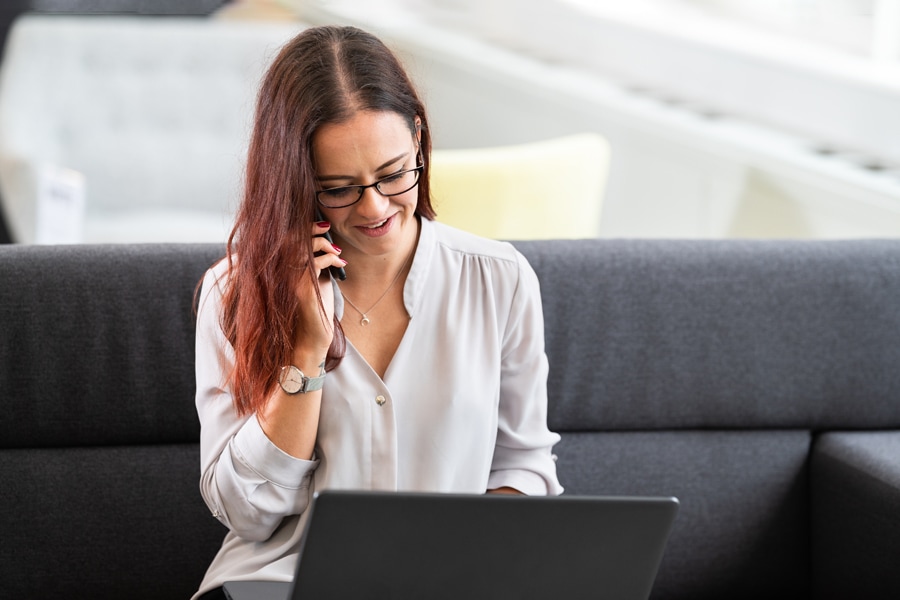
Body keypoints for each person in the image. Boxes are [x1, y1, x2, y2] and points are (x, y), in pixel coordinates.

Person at [193, 24, 563, 599]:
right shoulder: (235, 292)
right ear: (296, 181)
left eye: (393, 175)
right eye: (338, 187)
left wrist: (469, 567)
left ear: (418, 138)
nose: (374, 208)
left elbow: (524, 467)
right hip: (286, 585)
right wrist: (307, 353)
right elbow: (247, 513)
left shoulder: (499, 279)